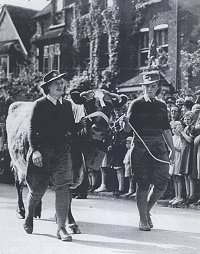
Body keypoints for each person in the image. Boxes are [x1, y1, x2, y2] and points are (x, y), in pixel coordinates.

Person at [23, 70, 86, 241]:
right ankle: (29, 216)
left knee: (63, 187)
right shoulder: (39, 104)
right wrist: (35, 150)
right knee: (37, 190)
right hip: (42, 152)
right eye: (56, 83)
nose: (60, 86)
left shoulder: (67, 105)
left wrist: (81, 125)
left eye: (62, 83)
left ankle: (61, 228)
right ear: (48, 88)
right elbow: (31, 129)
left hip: (61, 151)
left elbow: (69, 128)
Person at [123, 70, 175, 231]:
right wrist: (125, 121)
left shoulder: (161, 105)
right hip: (140, 145)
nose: (149, 89)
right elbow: (127, 129)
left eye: (153, 86)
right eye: (147, 86)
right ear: (143, 87)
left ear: (157, 87)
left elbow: (166, 129)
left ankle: (146, 210)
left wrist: (172, 149)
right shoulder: (136, 104)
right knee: (143, 182)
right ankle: (143, 219)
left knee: (162, 181)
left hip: (159, 145)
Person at [168, 121, 184, 206]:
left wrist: (174, 148)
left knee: (178, 177)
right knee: (174, 177)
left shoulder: (180, 138)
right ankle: (176, 195)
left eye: (176, 128)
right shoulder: (172, 137)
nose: (174, 130)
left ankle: (179, 196)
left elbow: (181, 149)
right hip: (173, 159)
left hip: (178, 158)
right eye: (173, 128)